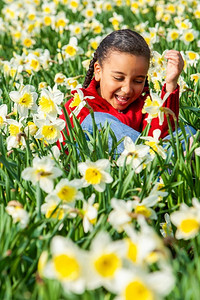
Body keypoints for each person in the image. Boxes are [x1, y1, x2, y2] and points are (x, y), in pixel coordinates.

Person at [59, 29, 195, 153]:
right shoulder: (79, 105)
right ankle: (163, 165)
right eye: (118, 78)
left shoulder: (143, 105)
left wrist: (171, 83)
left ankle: (163, 164)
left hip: (135, 166)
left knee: (189, 133)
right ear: (98, 71)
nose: (127, 89)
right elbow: (61, 150)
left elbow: (161, 134)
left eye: (138, 81)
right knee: (97, 122)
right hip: (105, 168)